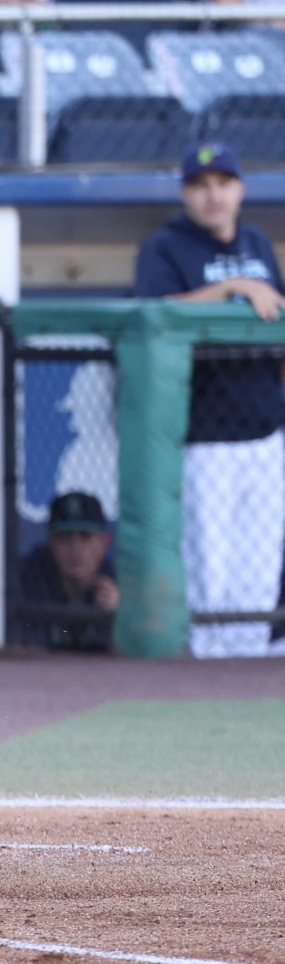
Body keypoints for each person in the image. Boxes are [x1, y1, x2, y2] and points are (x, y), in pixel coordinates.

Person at [133, 142, 285, 640]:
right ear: (184, 194)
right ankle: (207, 666)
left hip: (266, 431)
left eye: (223, 183)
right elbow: (155, 313)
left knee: (259, 570)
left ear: (241, 189)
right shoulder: (165, 246)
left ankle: (246, 663)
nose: (213, 195)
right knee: (210, 569)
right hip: (204, 435)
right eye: (200, 186)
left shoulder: (256, 242)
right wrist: (228, 289)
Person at [9, 491, 117, 652]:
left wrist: (117, 620)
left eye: (85, 537)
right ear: (50, 542)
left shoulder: (118, 582)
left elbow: (130, 658)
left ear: (104, 542)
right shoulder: (28, 579)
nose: (76, 550)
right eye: (64, 538)